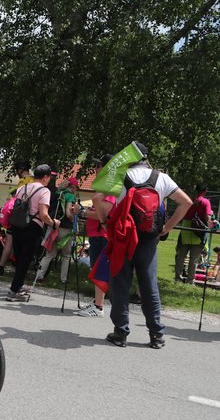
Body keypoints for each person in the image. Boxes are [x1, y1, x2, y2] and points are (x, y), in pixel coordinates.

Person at [95, 142, 191, 349]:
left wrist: (104, 223)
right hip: (149, 238)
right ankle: (156, 335)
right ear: (146, 159)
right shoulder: (161, 178)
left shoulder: (121, 177)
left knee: (121, 283)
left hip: (124, 236)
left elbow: (97, 198)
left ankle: (120, 333)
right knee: (149, 286)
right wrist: (166, 227)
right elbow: (186, 202)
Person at [6, 164, 59, 302]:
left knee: (19, 258)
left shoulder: (21, 188)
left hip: (17, 224)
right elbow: (43, 215)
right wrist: (54, 223)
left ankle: (19, 285)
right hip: (33, 227)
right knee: (26, 260)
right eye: (49, 177)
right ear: (46, 177)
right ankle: (13, 291)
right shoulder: (44, 191)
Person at [75, 154, 115, 317]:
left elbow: (104, 212)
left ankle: (98, 307)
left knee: (100, 270)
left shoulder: (110, 187)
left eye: (99, 165)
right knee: (97, 268)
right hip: (97, 234)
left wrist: (82, 211)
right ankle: (97, 302)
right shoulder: (104, 186)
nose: (96, 169)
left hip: (102, 234)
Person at [35, 177, 79, 284]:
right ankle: (63, 279)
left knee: (49, 254)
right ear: (71, 187)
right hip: (65, 229)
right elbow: (68, 214)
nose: (75, 190)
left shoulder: (57, 194)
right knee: (66, 255)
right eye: (75, 188)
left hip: (53, 226)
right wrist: (74, 219)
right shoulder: (70, 196)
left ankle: (39, 277)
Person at [0, 162, 33, 276]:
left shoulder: (23, 182)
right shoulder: (34, 181)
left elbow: (18, 200)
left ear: (20, 170)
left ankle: (1, 267)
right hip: (29, 216)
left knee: (10, 241)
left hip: (19, 215)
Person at [174, 183, 213, 283]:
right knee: (194, 259)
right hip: (198, 231)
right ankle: (190, 280)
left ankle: (178, 278)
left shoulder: (188, 200)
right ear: (204, 191)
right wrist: (212, 222)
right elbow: (207, 218)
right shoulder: (205, 202)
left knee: (181, 256)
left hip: (186, 229)